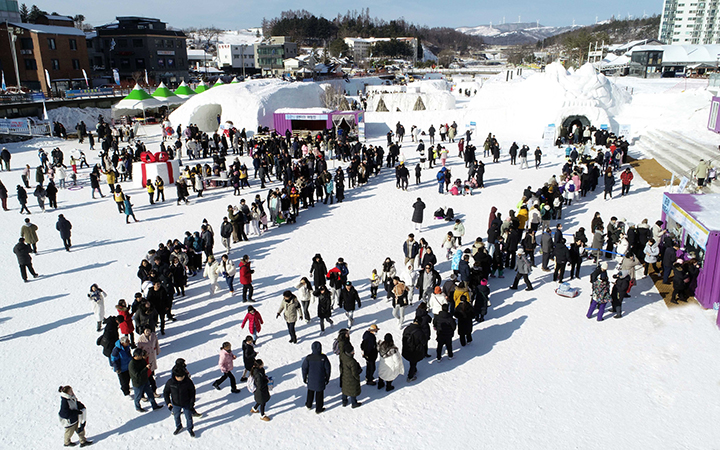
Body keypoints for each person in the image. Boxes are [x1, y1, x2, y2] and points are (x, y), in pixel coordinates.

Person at [163, 367, 197, 437]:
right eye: (180, 377)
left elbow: (192, 392)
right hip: (175, 404)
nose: (182, 378)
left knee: (189, 417)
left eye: (183, 376)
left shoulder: (188, 382)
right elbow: (166, 392)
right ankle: (179, 426)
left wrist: (192, 403)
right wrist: (168, 403)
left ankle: (190, 429)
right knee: (176, 416)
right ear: (175, 376)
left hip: (186, 403)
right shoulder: (170, 382)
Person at [302, 341, 332, 414]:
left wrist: (304, 377)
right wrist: (327, 378)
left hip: (311, 379)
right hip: (320, 379)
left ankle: (309, 404)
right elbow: (328, 368)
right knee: (319, 395)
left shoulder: (308, 358)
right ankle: (318, 408)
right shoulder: (323, 357)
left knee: (310, 392)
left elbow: (304, 368)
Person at [340, 343, 363, 408]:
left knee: (345, 390)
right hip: (351, 379)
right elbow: (354, 373)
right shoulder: (352, 362)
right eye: (352, 351)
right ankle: (354, 403)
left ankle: (344, 401)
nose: (354, 352)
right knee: (352, 391)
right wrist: (357, 377)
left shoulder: (343, 356)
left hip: (345, 377)